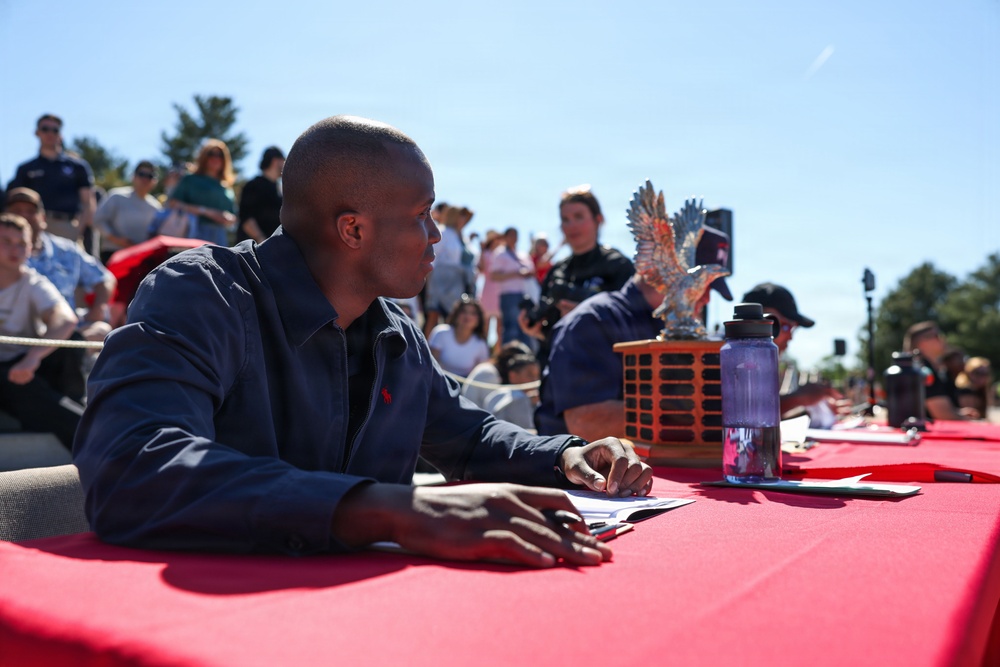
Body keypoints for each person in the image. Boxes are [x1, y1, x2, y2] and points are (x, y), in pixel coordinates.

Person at [73, 115, 652, 567]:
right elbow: (129, 466)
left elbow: (469, 437)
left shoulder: (394, 330)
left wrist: (567, 454)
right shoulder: (202, 294)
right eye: (423, 215)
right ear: (352, 229)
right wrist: (388, 511)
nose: (436, 236)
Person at [536, 227, 733, 439]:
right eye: (701, 285)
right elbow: (587, 423)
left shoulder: (672, 327)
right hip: (584, 470)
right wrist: (695, 407)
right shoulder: (592, 321)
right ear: (671, 268)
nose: (706, 300)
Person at [519, 185, 634, 363]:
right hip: (561, 373)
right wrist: (537, 330)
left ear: (598, 219)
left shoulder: (617, 265)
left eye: (579, 217)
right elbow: (551, 336)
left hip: (605, 373)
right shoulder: (558, 271)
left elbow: (634, 326)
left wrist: (588, 315)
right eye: (565, 219)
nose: (571, 225)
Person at [0, 213, 83, 447]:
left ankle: (78, 409)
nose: (14, 249)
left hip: (25, 364)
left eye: (21, 243)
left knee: (72, 341)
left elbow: (65, 319)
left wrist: (32, 357)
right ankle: (93, 432)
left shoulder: (33, 282)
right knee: (20, 386)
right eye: (6, 241)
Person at [5, 187, 115, 343]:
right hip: (19, 334)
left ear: (43, 218)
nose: (24, 215)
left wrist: (99, 307)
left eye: (30, 211)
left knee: (102, 331)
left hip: (65, 329)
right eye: (16, 210)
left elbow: (104, 277)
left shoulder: (67, 249)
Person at [7, 114, 96, 248]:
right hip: (34, 226)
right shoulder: (26, 168)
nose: (50, 133)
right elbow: (15, 203)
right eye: (45, 129)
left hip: (67, 226)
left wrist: (78, 230)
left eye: (55, 130)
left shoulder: (77, 166)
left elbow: (88, 202)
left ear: (61, 135)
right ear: (37, 133)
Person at [166, 140, 238, 246]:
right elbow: (173, 203)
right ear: (204, 157)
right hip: (194, 231)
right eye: (211, 154)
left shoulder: (226, 187)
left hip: (220, 236)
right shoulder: (191, 180)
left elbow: (234, 217)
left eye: (220, 155)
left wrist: (228, 219)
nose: (216, 158)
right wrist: (206, 211)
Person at [93, 162, 163, 262]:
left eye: (150, 176)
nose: (145, 179)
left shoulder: (155, 207)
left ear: (155, 180)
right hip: (113, 253)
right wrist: (116, 239)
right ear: (133, 176)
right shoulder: (117, 196)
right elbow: (98, 220)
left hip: (141, 258)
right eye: (141, 174)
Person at [903, 321, 967, 420]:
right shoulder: (923, 369)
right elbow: (943, 415)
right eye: (937, 335)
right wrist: (974, 423)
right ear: (922, 343)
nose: (943, 339)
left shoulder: (923, 367)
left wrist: (959, 413)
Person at [492, 227, 535, 347]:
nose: (514, 238)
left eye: (516, 235)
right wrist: (516, 274)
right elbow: (494, 275)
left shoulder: (522, 254)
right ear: (505, 237)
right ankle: (509, 357)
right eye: (511, 235)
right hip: (508, 295)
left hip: (524, 295)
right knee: (511, 327)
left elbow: (532, 271)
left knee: (524, 328)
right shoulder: (500, 254)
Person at [427, 295, 491, 377]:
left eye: (473, 313)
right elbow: (430, 364)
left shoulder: (481, 344)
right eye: (463, 311)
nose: (467, 316)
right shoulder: (441, 333)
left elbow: (480, 374)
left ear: (478, 320)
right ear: (456, 315)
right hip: (439, 380)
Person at [237, 146, 284, 244]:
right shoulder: (254, 185)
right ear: (275, 161)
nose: (285, 165)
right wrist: (261, 240)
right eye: (283, 160)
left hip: (274, 249)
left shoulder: (280, 190)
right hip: (253, 250)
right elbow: (246, 217)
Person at [475, 229, 503, 346]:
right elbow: (481, 269)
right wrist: (481, 250)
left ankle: (497, 354)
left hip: (500, 291)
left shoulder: (502, 254)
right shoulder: (485, 254)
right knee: (485, 325)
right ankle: (484, 351)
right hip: (487, 291)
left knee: (500, 328)